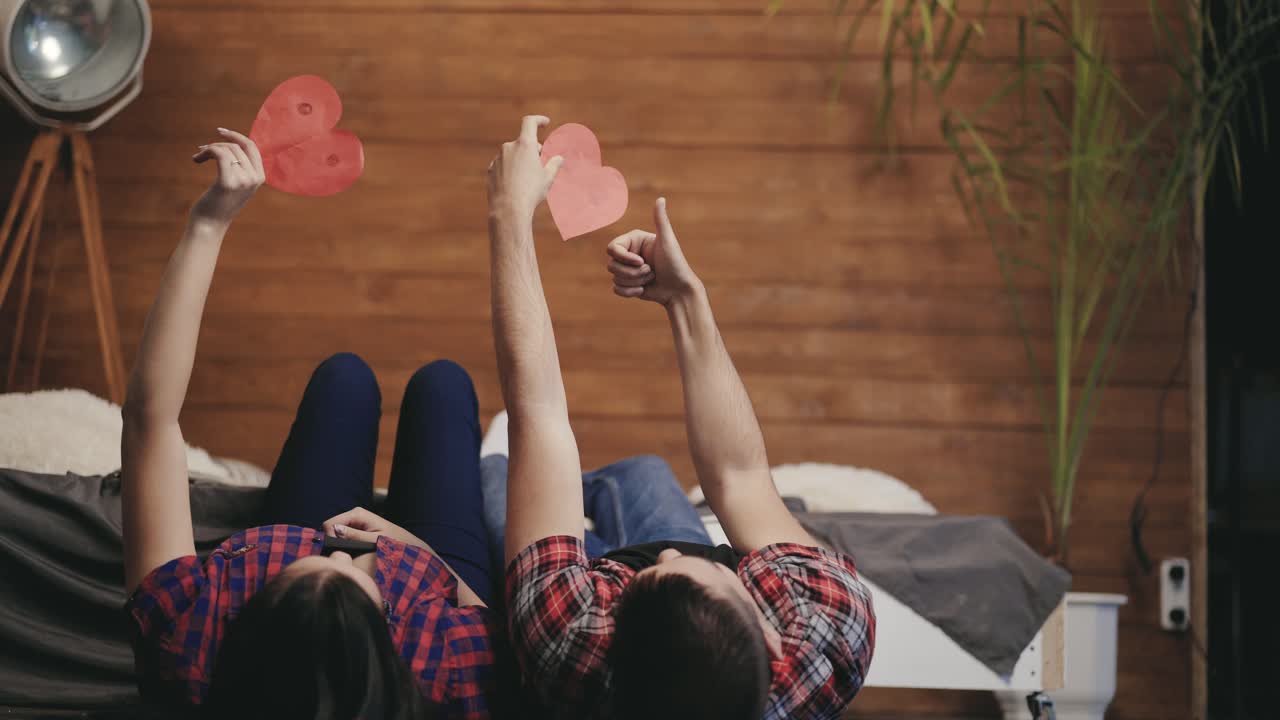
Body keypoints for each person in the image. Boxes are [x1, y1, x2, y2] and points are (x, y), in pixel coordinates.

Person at [487, 116, 876, 720]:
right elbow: (740, 478)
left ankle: (541, 492)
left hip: (581, 590)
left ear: (613, 644)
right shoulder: (827, 628)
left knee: (493, 475)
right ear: (771, 641)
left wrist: (508, 218)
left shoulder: (569, 643)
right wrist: (685, 300)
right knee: (644, 474)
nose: (666, 556)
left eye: (653, 577)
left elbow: (538, 414)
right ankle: (593, 495)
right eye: (712, 574)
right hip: (666, 615)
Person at [121, 129, 506, 720]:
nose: (341, 554)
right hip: (432, 571)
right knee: (444, 385)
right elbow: (479, 610)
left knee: (345, 378)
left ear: (249, 623)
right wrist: (402, 545)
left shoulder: (185, 638)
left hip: (292, 541)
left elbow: (150, 422)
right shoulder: (455, 677)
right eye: (354, 573)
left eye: (313, 568)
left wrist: (209, 223)